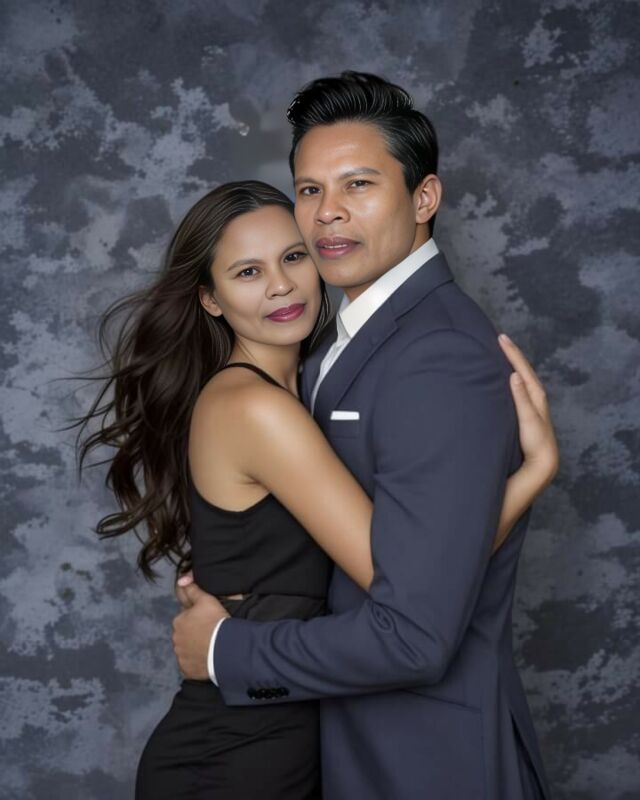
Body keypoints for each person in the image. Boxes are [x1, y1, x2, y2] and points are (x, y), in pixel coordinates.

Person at [173, 73, 558, 799]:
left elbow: (414, 628)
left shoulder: (437, 356)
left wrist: (227, 650)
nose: (328, 212)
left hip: (426, 765)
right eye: (309, 189)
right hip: (329, 750)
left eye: (358, 184)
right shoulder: (329, 348)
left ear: (424, 198)